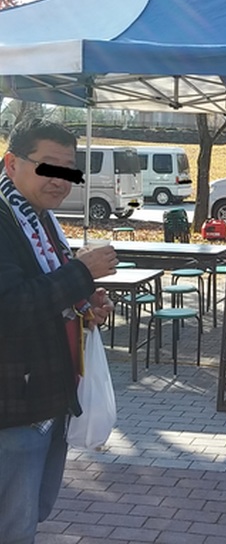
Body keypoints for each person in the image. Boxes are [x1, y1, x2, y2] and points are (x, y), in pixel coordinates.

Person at [0, 118, 118, 543]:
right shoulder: (6, 220)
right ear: (12, 163)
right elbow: (10, 306)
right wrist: (81, 273)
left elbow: (48, 290)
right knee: (12, 524)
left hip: (46, 395)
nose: (59, 180)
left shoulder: (39, 218)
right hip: (13, 404)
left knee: (32, 512)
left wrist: (84, 305)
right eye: (48, 167)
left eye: (68, 170)